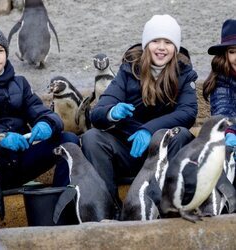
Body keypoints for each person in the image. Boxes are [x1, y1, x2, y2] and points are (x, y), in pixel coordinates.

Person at [81, 14, 198, 211]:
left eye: (168, 42)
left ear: (175, 48)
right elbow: (97, 113)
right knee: (92, 138)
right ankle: (109, 207)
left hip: (163, 150)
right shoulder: (128, 71)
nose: (161, 47)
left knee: (182, 135)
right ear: (146, 44)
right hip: (129, 149)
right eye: (155, 41)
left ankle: (168, 204)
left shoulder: (184, 73)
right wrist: (112, 112)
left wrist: (149, 130)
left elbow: (188, 112)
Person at [0, 24, 79, 224]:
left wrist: (47, 123)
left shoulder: (20, 83)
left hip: (20, 161)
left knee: (68, 142)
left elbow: (43, 112)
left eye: (1, 50)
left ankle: (61, 209)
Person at [203, 19, 236, 187]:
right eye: (232, 51)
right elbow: (224, 111)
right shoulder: (221, 80)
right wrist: (231, 131)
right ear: (225, 55)